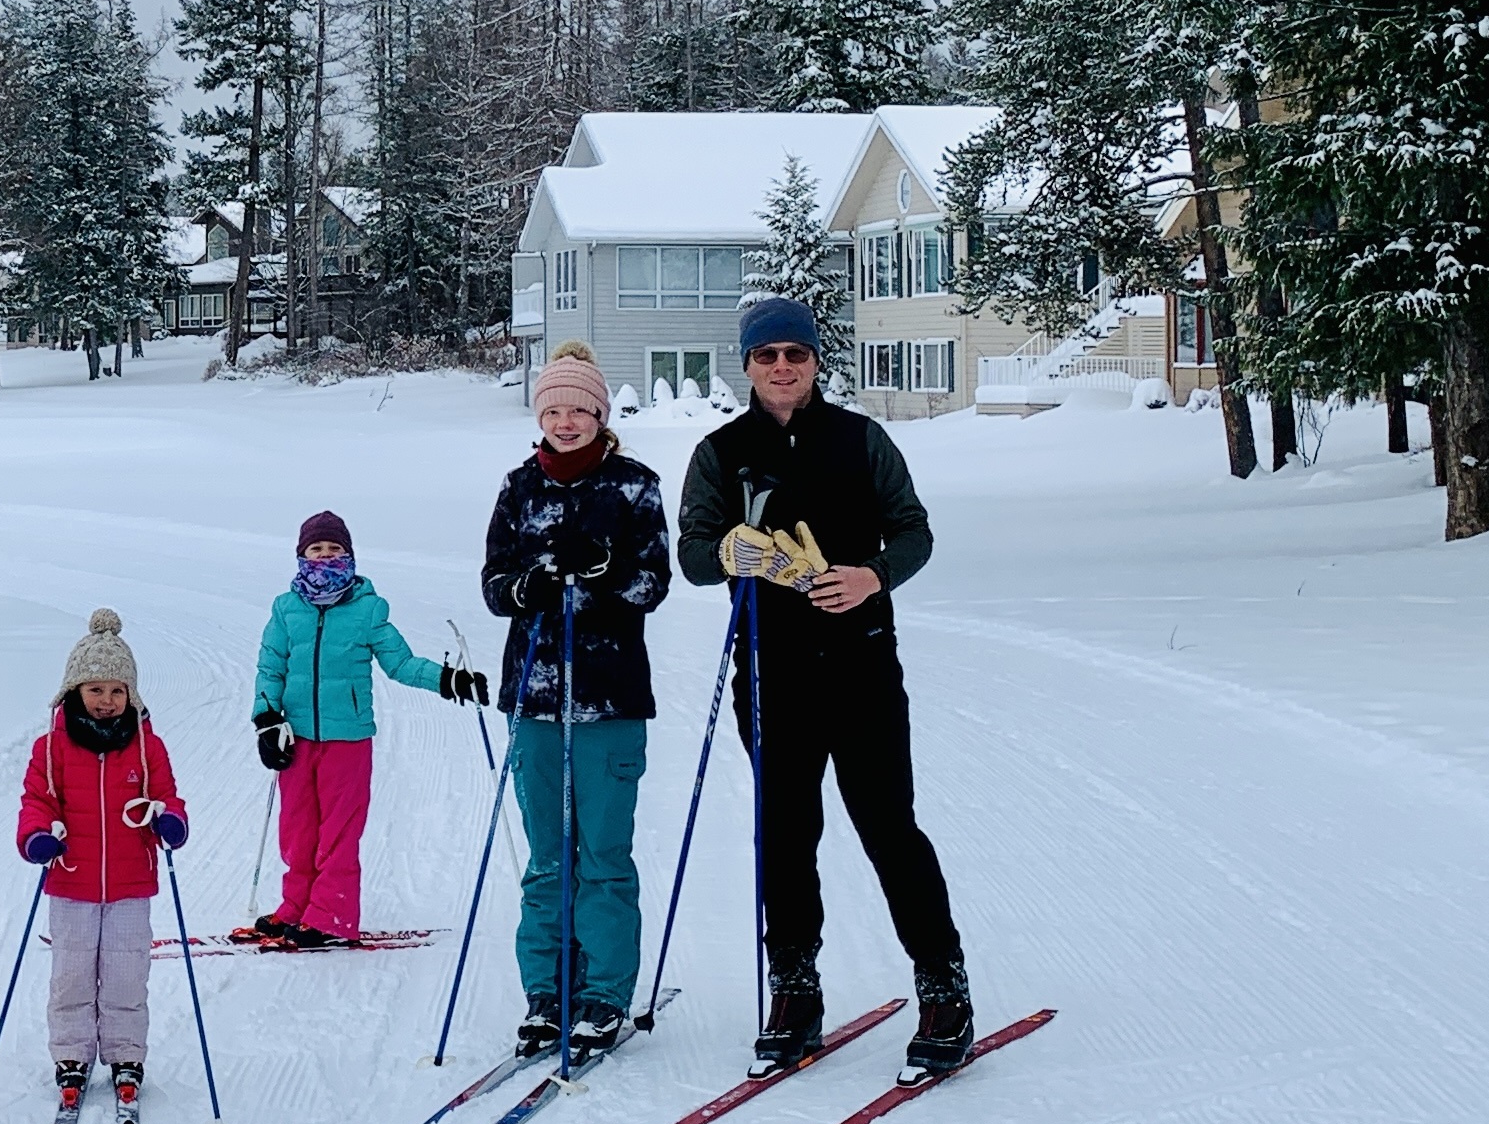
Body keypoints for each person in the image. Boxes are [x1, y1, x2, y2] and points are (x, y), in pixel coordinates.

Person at [677, 299, 976, 1081]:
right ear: (746, 364)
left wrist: (872, 575)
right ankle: (796, 988)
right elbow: (693, 556)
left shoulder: (861, 441)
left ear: (816, 362)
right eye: (768, 354)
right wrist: (727, 553)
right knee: (785, 832)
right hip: (772, 672)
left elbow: (914, 531)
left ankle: (943, 984)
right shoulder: (721, 453)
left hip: (862, 662)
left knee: (888, 825)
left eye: (796, 354)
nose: (783, 367)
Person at [477, 340, 672, 1055]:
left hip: (609, 700)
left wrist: (606, 574)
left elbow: (653, 583)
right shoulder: (518, 487)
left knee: (603, 857)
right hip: (533, 696)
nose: (565, 421)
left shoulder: (635, 486)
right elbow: (495, 584)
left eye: (578, 409)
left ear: (600, 415)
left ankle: (602, 992)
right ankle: (547, 990)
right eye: (553, 408)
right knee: (547, 858)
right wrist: (522, 590)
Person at [246, 510, 487, 948]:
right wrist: (266, 718)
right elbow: (270, 668)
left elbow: (400, 663)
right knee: (298, 828)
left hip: (348, 738)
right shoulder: (286, 609)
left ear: (349, 555)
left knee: (339, 829)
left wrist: (449, 680)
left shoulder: (368, 608)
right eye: (315, 549)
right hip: (295, 737)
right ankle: (295, 908)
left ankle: (331, 917)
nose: (324, 556)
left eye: (334, 549)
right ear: (301, 556)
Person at [12, 610, 188, 1124]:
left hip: (132, 884)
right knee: (70, 975)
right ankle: (71, 1055)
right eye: (95, 689)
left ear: (130, 695)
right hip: (71, 883)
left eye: (117, 690)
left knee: (127, 973)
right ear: (74, 690)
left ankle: (126, 1054)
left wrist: (171, 821)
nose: (106, 700)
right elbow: (35, 802)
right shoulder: (52, 748)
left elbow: (168, 796)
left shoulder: (146, 745)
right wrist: (38, 836)